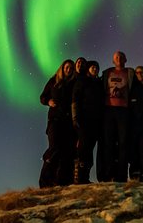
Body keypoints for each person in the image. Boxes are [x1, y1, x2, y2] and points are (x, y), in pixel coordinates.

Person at [39, 59, 77, 187]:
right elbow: (42, 97)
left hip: (68, 122)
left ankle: (61, 181)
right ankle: (45, 181)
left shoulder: (73, 83)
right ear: (62, 68)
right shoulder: (53, 81)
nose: (69, 69)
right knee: (54, 148)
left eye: (71, 68)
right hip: (55, 120)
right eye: (67, 67)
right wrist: (48, 101)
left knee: (66, 151)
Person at [99, 51, 135, 182]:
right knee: (108, 143)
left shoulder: (130, 73)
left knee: (123, 142)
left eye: (121, 57)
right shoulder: (106, 73)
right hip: (108, 110)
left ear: (125, 59)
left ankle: (122, 175)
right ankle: (109, 174)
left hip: (124, 111)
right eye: (116, 57)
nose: (119, 59)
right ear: (113, 60)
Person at [71, 60, 104, 184]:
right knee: (83, 148)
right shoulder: (82, 81)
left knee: (90, 148)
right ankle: (78, 177)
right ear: (88, 69)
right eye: (92, 67)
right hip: (83, 120)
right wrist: (75, 117)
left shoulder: (99, 84)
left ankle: (85, 177)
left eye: (96, 67)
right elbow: (75, 99)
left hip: (96, 121)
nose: (94, 69)